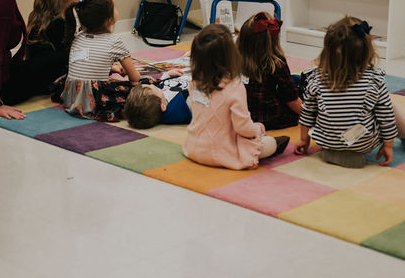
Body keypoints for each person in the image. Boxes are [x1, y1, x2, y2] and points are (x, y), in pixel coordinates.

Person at [294, 16, 405, 168]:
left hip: (326, 141)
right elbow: (386, 117)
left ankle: (335, 151)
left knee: (318, 109)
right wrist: (388, 145)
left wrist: (303, 140)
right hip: (364, 143)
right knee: (388, 105)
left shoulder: (316, 79)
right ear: (367, 51)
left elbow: (307, 113)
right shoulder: (373, 81)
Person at [182, 24, 289, 170]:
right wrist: (258, 129)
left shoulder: (194, 82)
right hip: (223, 153)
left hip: (193, 148)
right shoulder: (234, 87)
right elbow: (243, 128)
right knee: (268, 143)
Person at [1, 0, 83, 105]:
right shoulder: (58, 23)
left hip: (36, 73)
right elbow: (69, 59)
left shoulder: (41, 16)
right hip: (42, 81)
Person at [59, 0, 141, 121]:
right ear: (109, 19)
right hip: (95, 101)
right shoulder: (115, 42)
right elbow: (135, 78)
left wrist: (112, 69)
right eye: (115, 8)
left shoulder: (78, 37)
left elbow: (87, 63)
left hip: (72, 97)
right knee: (144, 86)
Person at [237, 12, 301, 130]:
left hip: (241, 116)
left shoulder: (233, 61)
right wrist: (312, 117)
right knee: (298, 84)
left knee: (294, 79)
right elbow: (291, 99)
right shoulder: (276, 63)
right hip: (269, 119)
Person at [122, 68, 192, 129]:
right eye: (155, 88)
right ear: (163, 107)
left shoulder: (158, 98)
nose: (152, 85)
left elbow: (161, 84)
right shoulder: (180, 105)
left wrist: (167, 75)